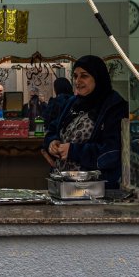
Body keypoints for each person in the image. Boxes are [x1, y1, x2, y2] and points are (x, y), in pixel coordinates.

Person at [43, 55, 128, 189]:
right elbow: (53, 128)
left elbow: (114, 152)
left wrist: (74, 151)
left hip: (96, 190)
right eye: (75, 76)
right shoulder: (73, 102)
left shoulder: (113, 106)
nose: (78, 81)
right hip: (64, 187)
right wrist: (52, 142)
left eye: (84, 76)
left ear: (98, 77)